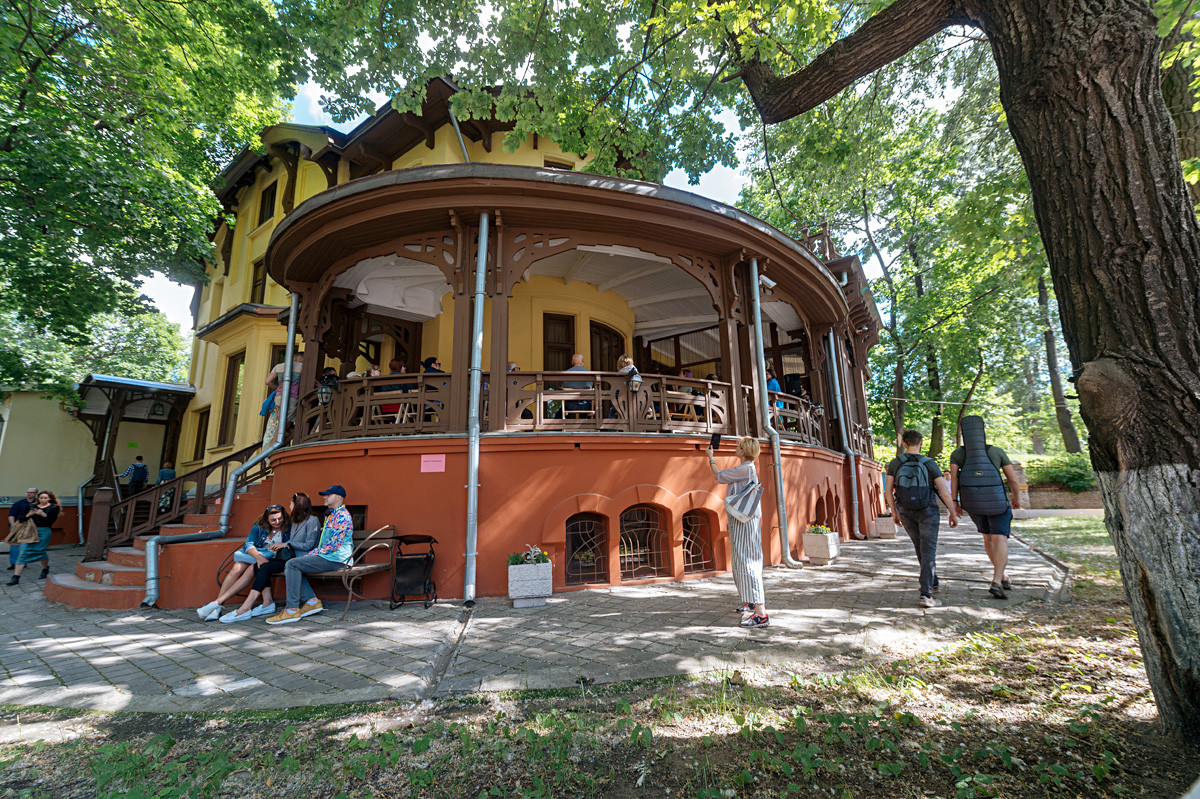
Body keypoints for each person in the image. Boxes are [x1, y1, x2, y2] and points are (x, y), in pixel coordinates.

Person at [949, 415, 1023, 600]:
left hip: (973, 503)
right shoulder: (996, 452)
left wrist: (955, 502)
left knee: (988, 538)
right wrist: (1016, 497)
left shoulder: (958, 454)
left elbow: (955, 479)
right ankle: (996, 581)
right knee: (1000, 538)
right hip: (997, 502)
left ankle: (1003, 576)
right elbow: (1012, 479)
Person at [885, 429, 959, 608]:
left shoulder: (895, 463)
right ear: (922, 442)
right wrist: (952, 512)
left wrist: (894, 512)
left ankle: (932, 582)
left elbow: (888, 490)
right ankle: (926, 594)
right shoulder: (929, 463)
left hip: (905, 510)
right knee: (928, 549)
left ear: (904, 443)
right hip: (927, 511)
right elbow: (944, 491)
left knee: (920, 547)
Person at [705, 437, 769, 628]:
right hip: (742, 520)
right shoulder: (747, 468)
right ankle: (750, 601)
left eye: (738, 447)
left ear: (743, 451)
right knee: (741, 559)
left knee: (749, 561)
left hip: (745, 521)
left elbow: (719, 476)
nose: (736, 448)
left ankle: (761, 614)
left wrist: (710, 457)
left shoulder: (745, 468)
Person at [267, 485, 354, 624]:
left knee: (292, 564)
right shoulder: (332, 515)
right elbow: (326, 544)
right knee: (294, 564)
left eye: (328, 495)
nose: (324, 497)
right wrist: (313, 554)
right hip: (329, 556)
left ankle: (292, 610)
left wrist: (312, 553)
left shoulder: (342, 516)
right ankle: (312, 601)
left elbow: (334, 544)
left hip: (337, 559)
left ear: (338, 498)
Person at [196, 504, 291, 621]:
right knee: (237, 567)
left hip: (272, 559)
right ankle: (218, 608)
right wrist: (258, 556)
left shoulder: (288, 526)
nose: (277, 522)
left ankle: (216, 604)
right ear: (267, 519)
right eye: (273, 520)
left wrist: (283, 544)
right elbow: (248, 544)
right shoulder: (259, 526)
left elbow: (294, 542)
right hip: (257, 556)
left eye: (279, 518)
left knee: (252, 568)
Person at [7, 490, 59, 585]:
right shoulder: (31, 506)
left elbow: (50, 521)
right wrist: (29, 514)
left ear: (50, 499)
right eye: (41, 498)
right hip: (29, 532)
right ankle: (15, 578)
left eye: (45, 498)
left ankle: (45, 568)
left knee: (40, 551)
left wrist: (41, 514)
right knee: (23, 552)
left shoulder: (54, 507)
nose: (43, 500)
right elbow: (22, 520)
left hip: (44, 531)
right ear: (38, 498)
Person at [263, 349, 303, 446]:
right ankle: (274, 446)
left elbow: (268, 382)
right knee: (285, 423)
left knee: (283, 422)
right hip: (292, 398)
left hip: (279, 397)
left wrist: (277, 388)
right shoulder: (302, 366)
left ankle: (275, 445)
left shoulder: (279, 366)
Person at [7, 487, 37, 570]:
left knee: (25, 546)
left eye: (31, 492)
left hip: (30, 527)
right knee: (14, 545)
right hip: (17, 525)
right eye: (27, 492)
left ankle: (23, 563)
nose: (28, 493)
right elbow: (11, 515)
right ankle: (13, 563)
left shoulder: (38, 504)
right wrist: (13, 526)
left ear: (36, 494)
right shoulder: (19, 503)